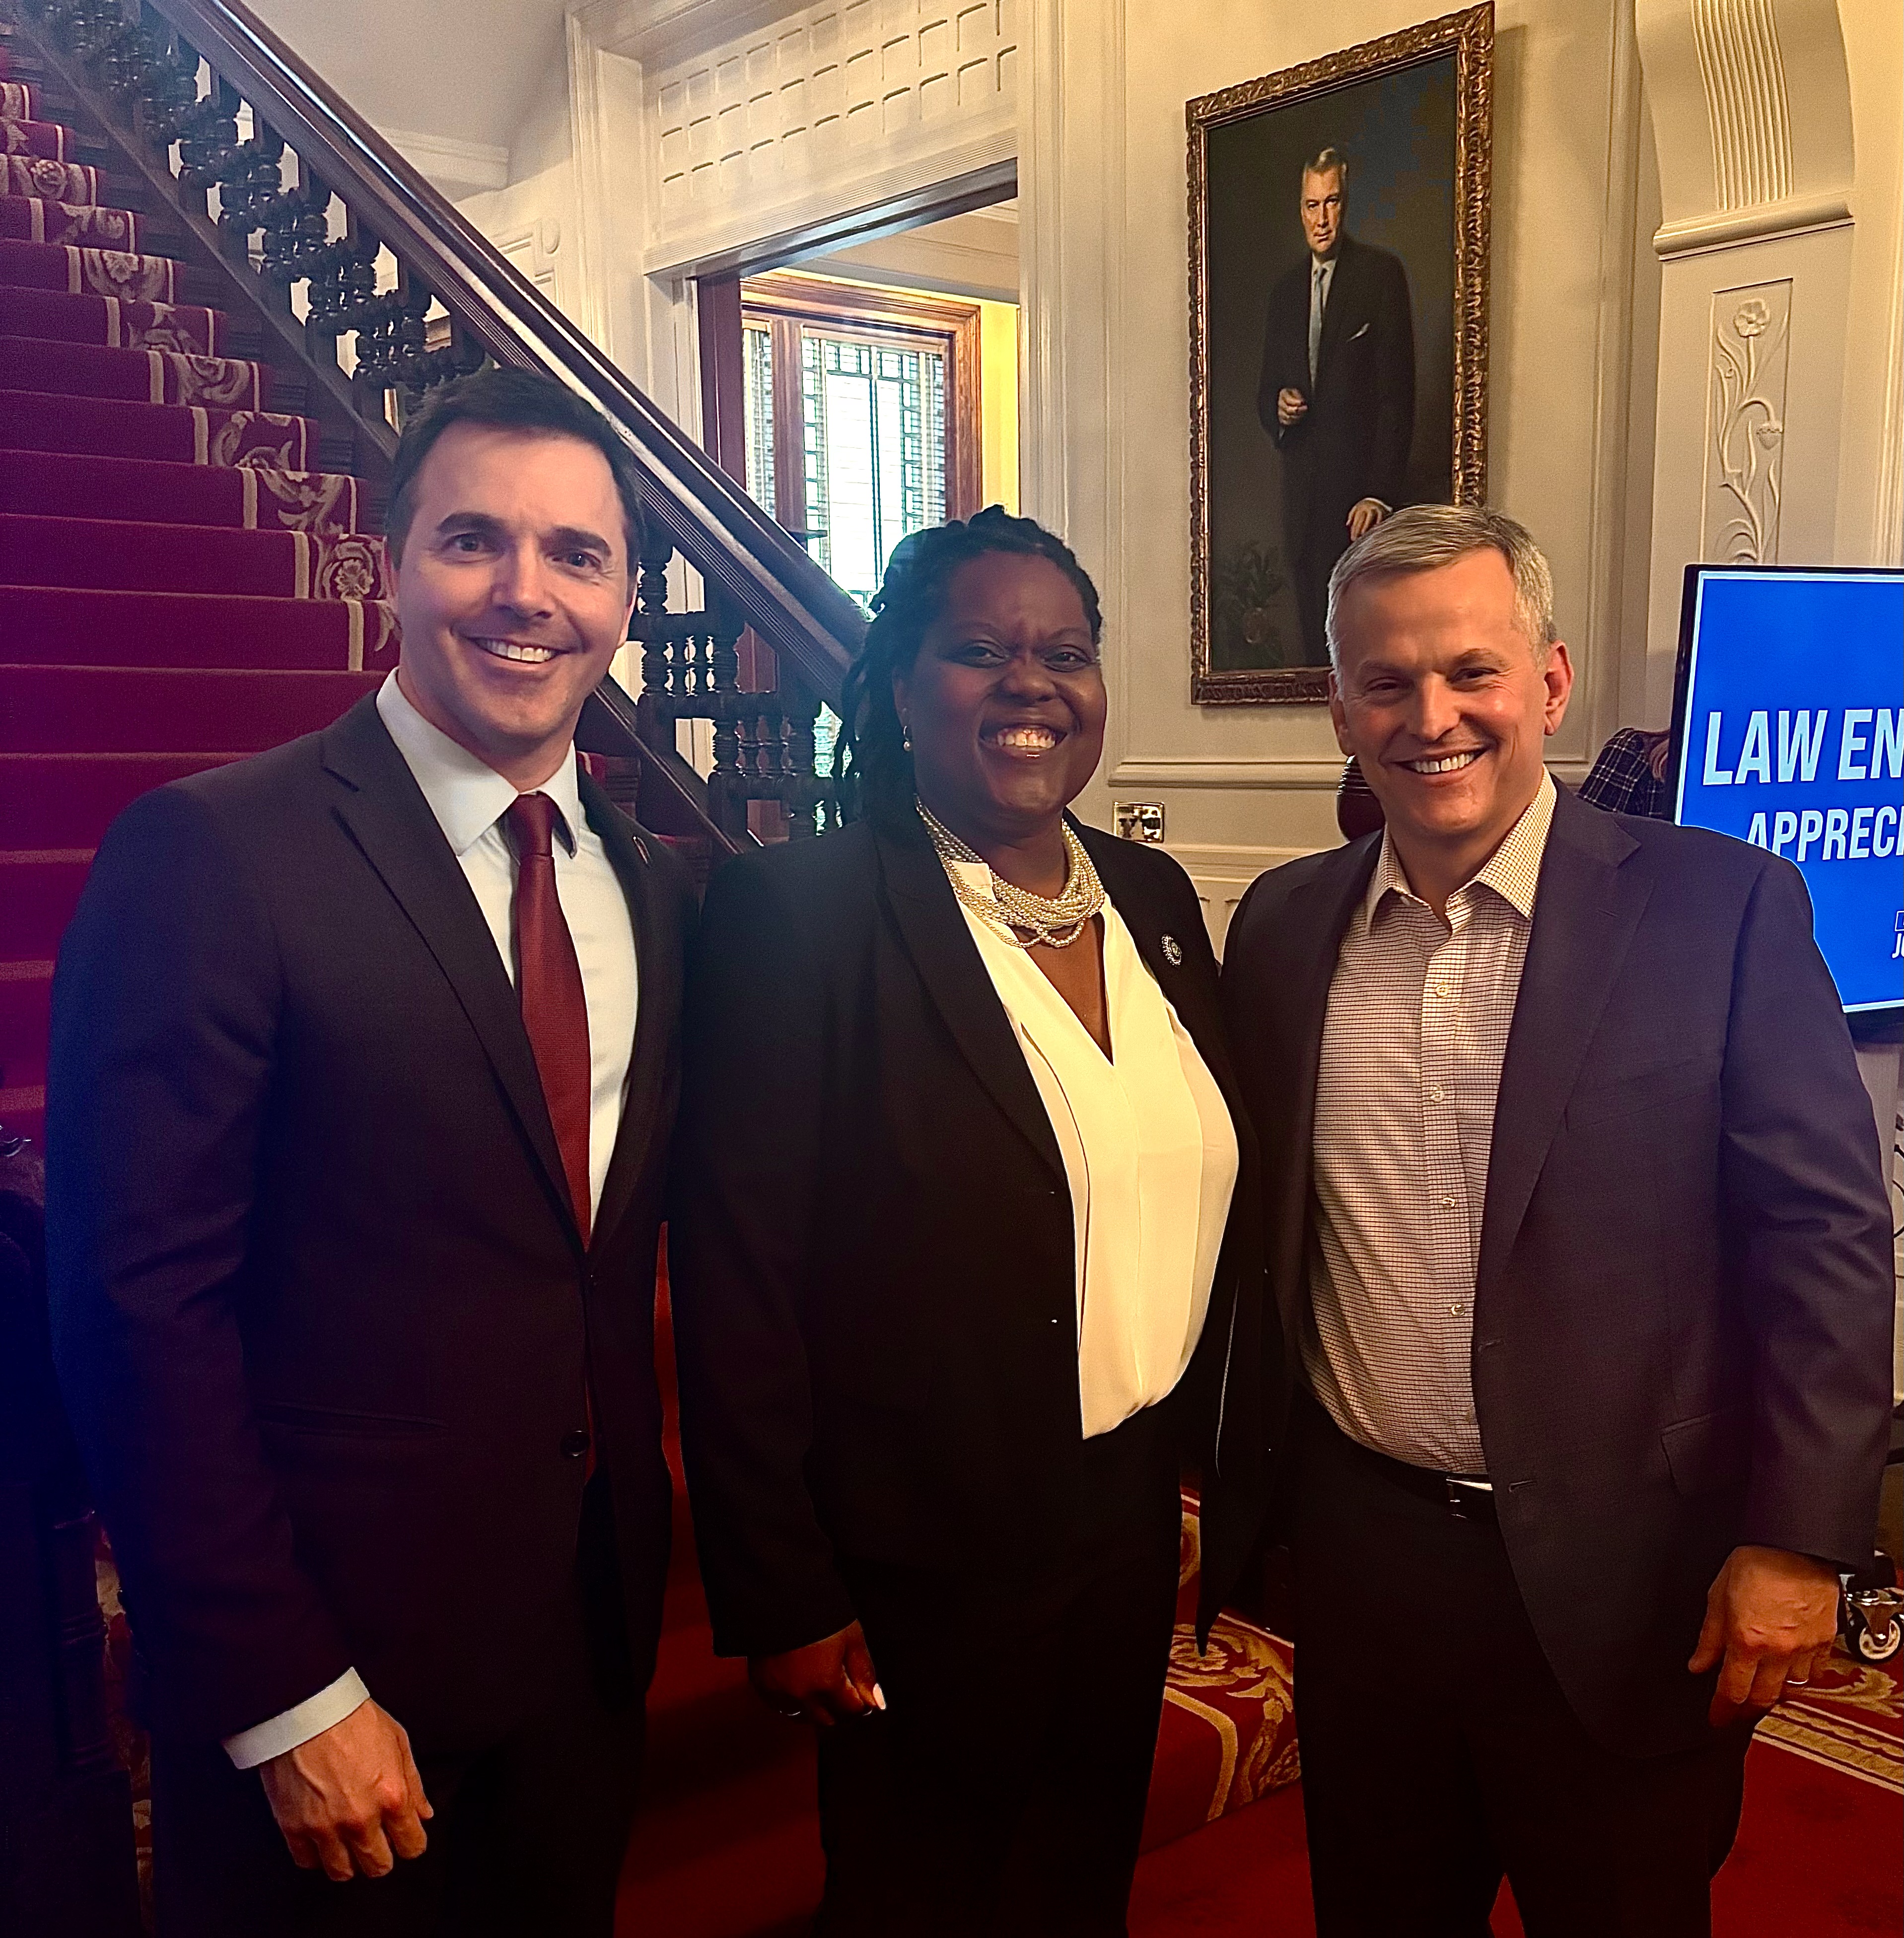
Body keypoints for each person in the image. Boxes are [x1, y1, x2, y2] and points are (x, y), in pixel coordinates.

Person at [46, 366, 696, 1935]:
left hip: (578, 1652)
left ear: (625, 600)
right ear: (388, 560)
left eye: (578, 555)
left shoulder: (653, 887)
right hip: (336, 1677)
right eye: (475, 540)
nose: (526, 593)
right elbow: (138, 1307)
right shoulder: (214, 853)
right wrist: (281, 1689)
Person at [1221, 503, 1895, 1937]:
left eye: (1470, 671)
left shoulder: (1723, 909)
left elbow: (1825, 1241)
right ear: (1339, 704)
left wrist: (1801, 1539)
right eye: (1386, 682)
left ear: (1549, 681)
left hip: (1632, 1576)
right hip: (1367, 1569)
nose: (1431, 716)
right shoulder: (1278, 928)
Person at [668, 509, 1264, 1936]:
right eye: (979, 652)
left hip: (1125, 1520)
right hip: (917, 1541)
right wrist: (785, 1590)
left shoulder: (1155, 899)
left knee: (1074, 1872)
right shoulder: (794, 912)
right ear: (893, 685)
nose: (1030, 684)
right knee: (919, 1892)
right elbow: (738, 1274)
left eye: (1064, 652)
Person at [1257, 145, 1416, 664]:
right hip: (1301, 503)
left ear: (1345, 204)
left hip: (1358, 507)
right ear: (1298, 209)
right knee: (1312, 654)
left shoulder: (1379, 275)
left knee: (1366, 652)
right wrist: (1279, 409)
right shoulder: (1283, 293)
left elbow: (1398, 393)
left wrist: (1377, 492)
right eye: (1310, 205)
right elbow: (1265, 392)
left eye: (1331, 203)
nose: (1321, 219)